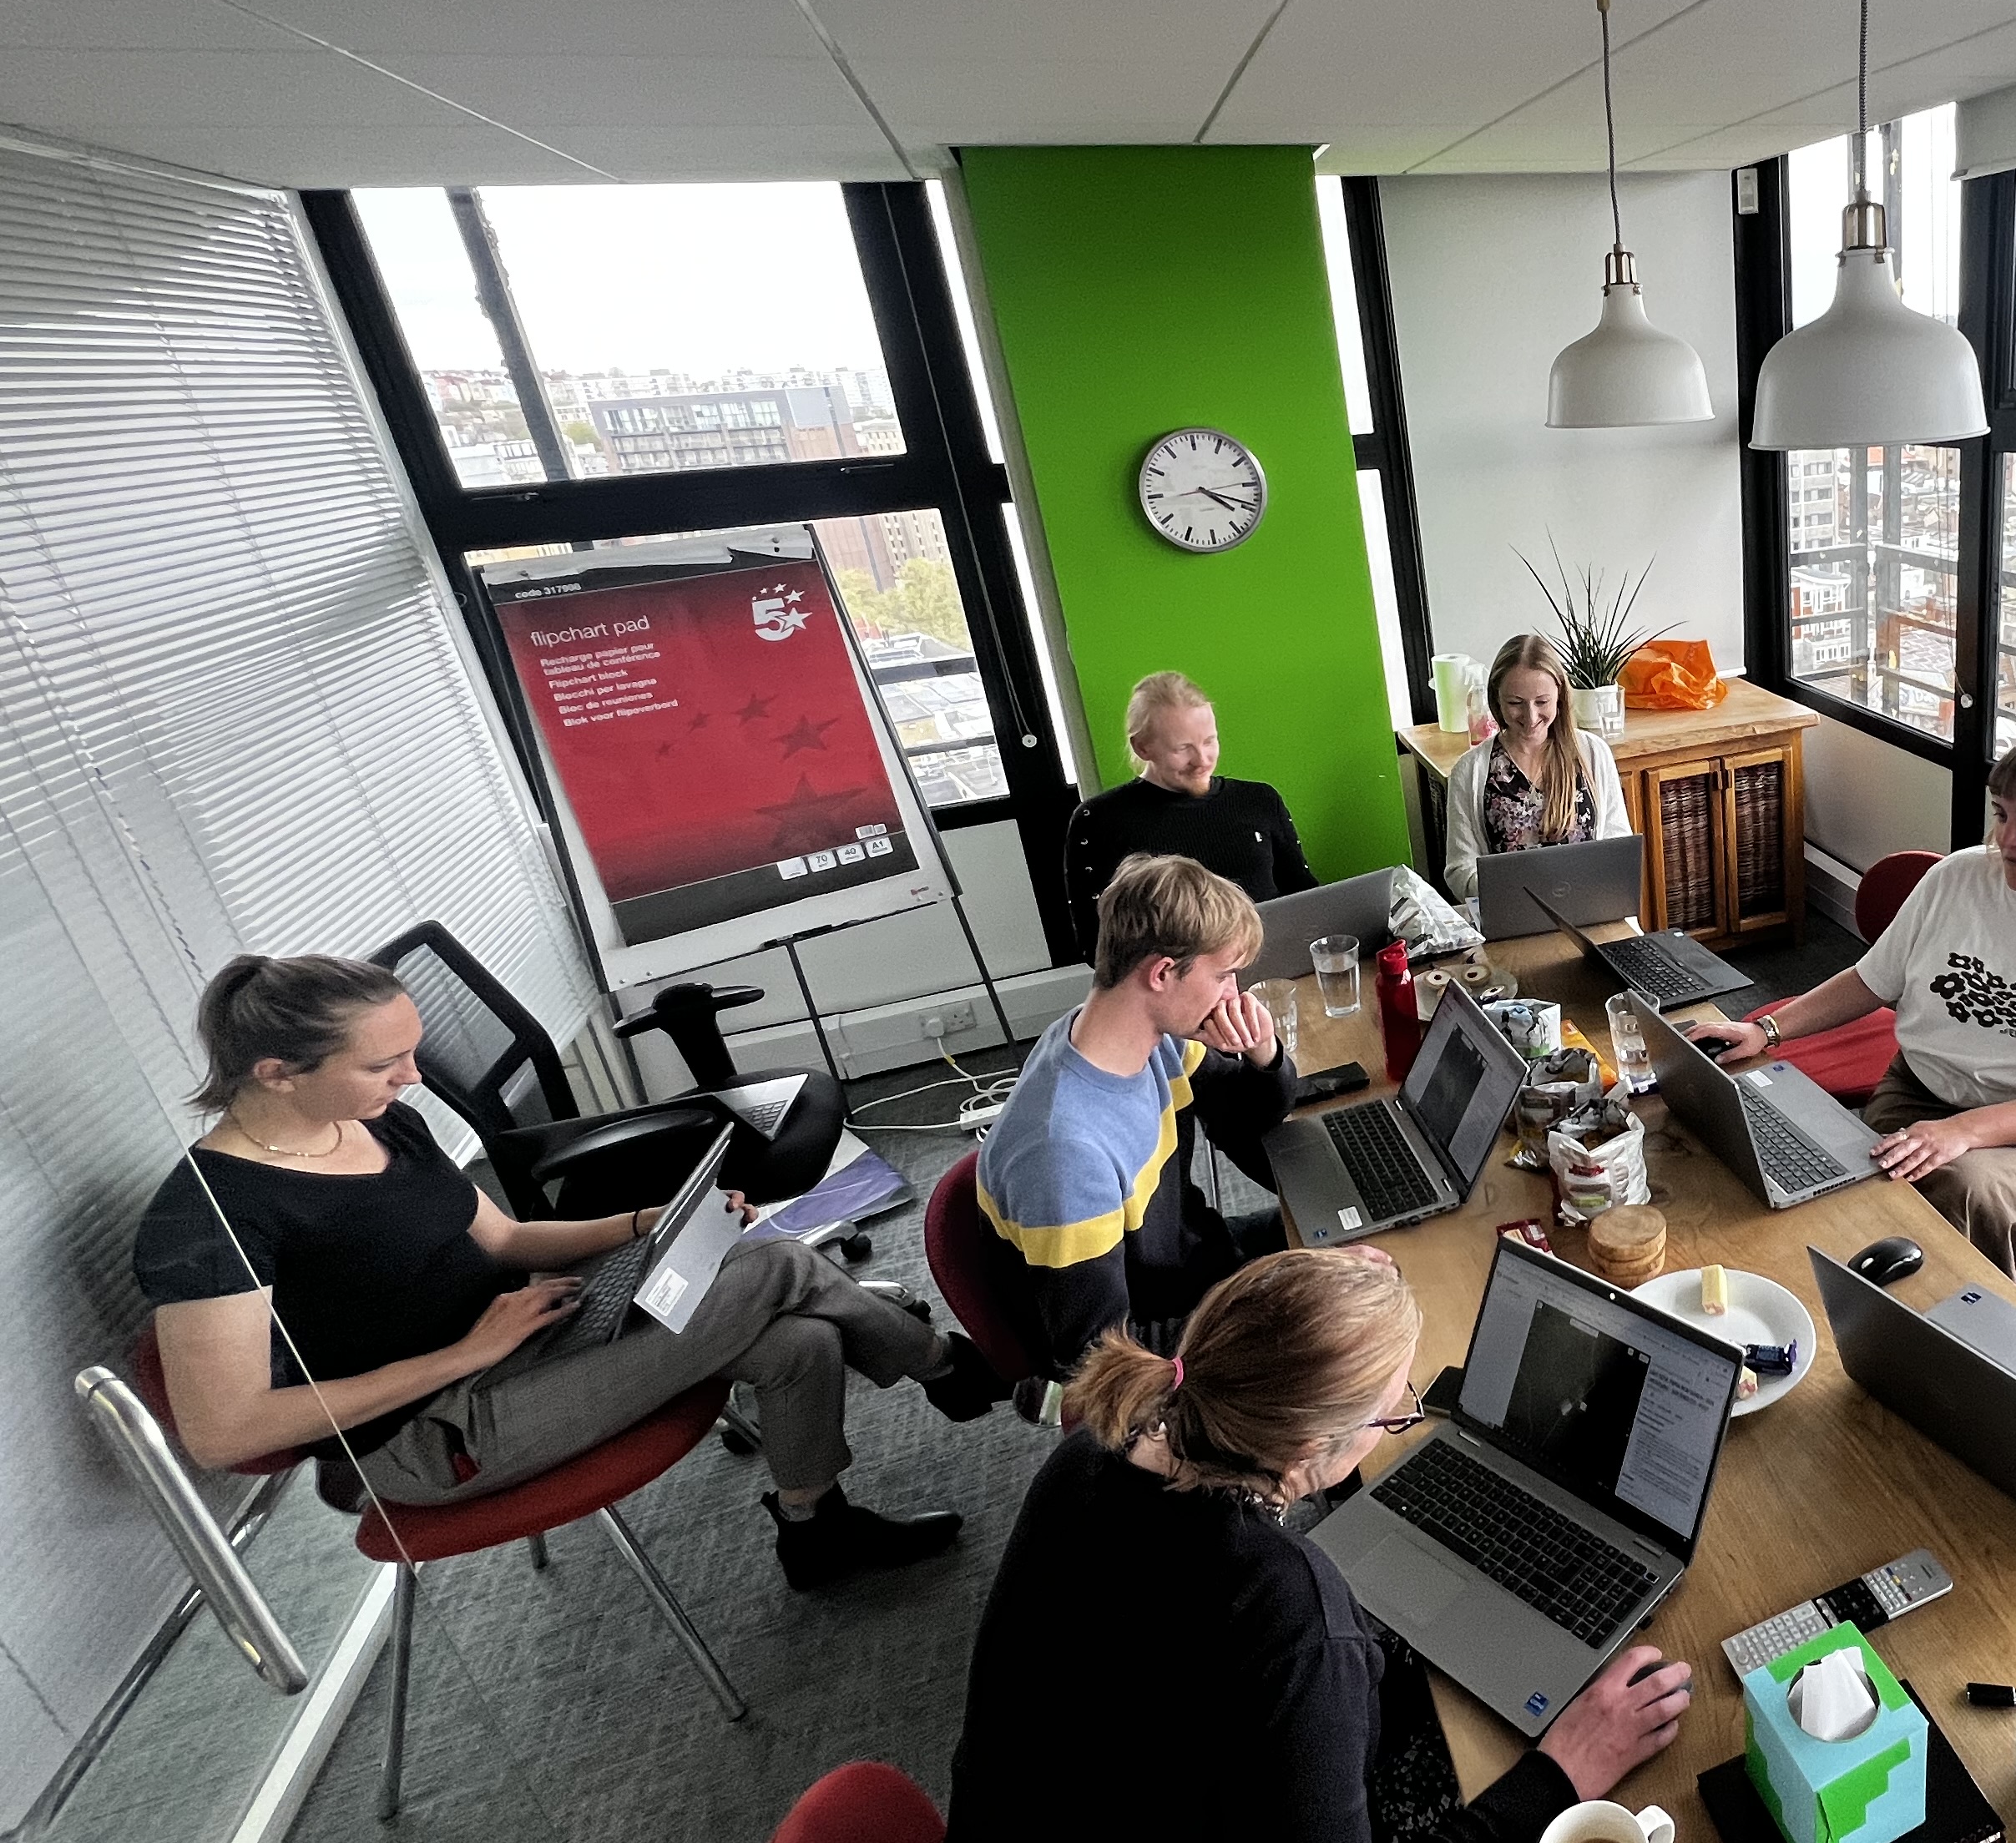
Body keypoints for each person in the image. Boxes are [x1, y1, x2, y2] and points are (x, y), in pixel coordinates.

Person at [929, 1245, 1691, 1843]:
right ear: (1303, 1453)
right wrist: (1565, 1774)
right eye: (1391, 1412)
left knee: (1433, 1730)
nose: (1405, 1413)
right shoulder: (1285, 1612)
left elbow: (1211, 1704)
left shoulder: (1086, 1462)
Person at [135, 953, 1001, 1589]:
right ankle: (954, 1367)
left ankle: (818, 1531)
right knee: (774, 1266)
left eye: (410, 1054)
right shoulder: (210, 1216)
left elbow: (507, 1243)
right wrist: (466, 1355)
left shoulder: (376, 1121)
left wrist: (642, 1224)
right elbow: (227, 1433)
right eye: (382, 1064)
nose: (410, 1077)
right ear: (277, 1075)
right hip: (432, 1433)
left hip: (525, 1332)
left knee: (797, 1336)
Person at [1690, 732, 2016, 1270]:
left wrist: (1962, 1132)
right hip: (1922, 1091)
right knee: (1826, 1185)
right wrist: (1768, 1031)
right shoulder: (1959, 877)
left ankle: (1959, 1336)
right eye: (2002, 814)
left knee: (1955, 1187)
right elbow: (1872, 980)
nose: (2008, 838)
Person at [976, 852, 1298, 1370]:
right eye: (1225, 976)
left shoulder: (1146, 1039)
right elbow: (1103, 1355)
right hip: (1167, 1335)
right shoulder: (1065, 1154)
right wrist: (1278, 1311)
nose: (1233, 995)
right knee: (1349, 1337)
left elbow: (1245, 1117)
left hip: (1196, 1261)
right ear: (1163, 973)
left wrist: (1263, 1053)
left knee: (1369, 1240)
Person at [1062, 668, 1316, 916]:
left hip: (1278, 953)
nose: (1202, 760)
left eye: (1209, 741)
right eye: (1182, 748)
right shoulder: (1100, 821)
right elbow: (1099, 940)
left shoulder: (1259, 800)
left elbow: (1306, 896)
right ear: (1142, 748)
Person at [1438, 632, 1632, 906]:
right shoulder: (1470, 771)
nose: (1530, 718)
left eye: (1542, 702)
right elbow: (1460, 869)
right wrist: (1508, 892)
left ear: (1560, 697)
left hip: (1589, 909)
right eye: (1515, 703)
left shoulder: (1593, 754)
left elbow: (1618, 844)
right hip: (1510, 916)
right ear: (1496, 699)